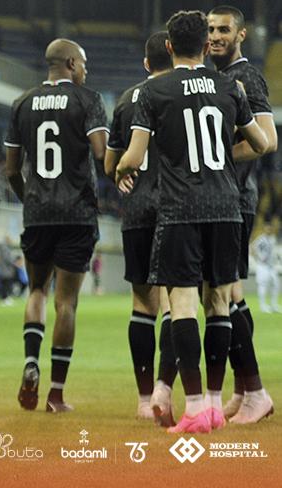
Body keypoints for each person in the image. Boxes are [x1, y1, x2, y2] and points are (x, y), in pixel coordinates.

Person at [116, 10, 268, 433]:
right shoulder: (230, 86)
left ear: (169, 47)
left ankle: (196, 406)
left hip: (181, 208)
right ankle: (217, 405)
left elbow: (134, 155)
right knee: (220, 302)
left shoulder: (154, 91)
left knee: (182, 304)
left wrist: (121, 170)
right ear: (205, 45)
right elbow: (260, 142)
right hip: (227, 207)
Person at [4, 38, 107, 413]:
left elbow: (11, 170)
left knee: (36, 291)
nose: (86, 71)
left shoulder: (22, 102)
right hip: (76, 213)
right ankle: (56, 394)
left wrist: (30, 200)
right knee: (67, 303)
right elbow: (101, 152)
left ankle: (31, 361)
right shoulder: (88, 100)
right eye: (83, 63)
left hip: (38, 212)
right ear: (70, 63)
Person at [207, 5, 277, 423]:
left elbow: (266, 139)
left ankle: (256, 392)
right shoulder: (218, 79)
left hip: (235, 197)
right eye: (211, 29)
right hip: (223, 198)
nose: (215, 36)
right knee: (225, 293)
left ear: (241, 35)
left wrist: (214, 159)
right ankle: (243, 389)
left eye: (223, 29)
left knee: (226, 293)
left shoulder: (246, 76)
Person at [104, 31, 174, 422]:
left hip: (136, 211)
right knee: (175, 303)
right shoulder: (181, 93)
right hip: (175, 208)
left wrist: (121, 176)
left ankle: (144, 399)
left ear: (146, 63)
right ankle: (166, 389)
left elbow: (110, 165)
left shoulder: (126, 99)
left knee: (142, 303)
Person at [252, 222, 280, 314]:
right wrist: (259, 258)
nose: (269, 230)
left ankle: (274, 305)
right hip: (262, 266)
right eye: (267, 228)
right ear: (264, 229)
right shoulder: (260, 239)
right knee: (262, 285)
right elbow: (253, 248)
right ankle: (262, 306)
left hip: (271, 266)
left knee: (275, 284)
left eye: (270, 228)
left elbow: (274, 251)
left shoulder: (272, 239)